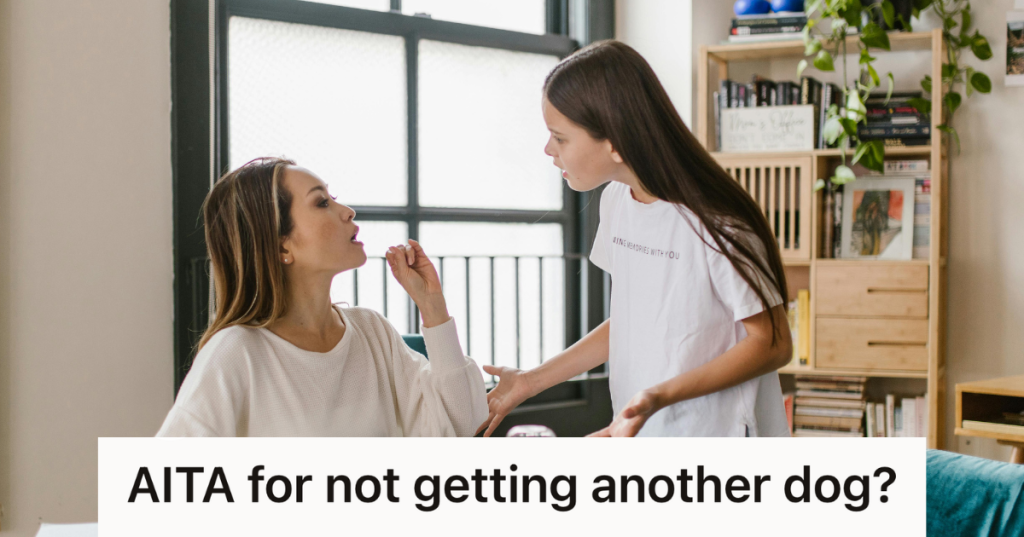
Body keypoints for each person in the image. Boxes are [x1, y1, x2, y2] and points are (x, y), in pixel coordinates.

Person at [478, 41, 793, 438]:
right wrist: (530, 381)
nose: (548, 150)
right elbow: (632, 321)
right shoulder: (617, 200)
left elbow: (774, 343)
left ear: (612, 139)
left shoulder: (718, 221)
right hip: (644, 430)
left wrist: (657, 396)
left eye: (560, 138)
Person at [157, 158, 487, 437]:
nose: (348, 212)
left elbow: (459, 426)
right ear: (282, 245)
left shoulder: (371, 331)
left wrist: (432, 307)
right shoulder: (235, 353)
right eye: (322, 203)